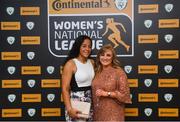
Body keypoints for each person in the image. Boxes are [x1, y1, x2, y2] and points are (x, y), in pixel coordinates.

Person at [92, 44, 132, 121]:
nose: (105, 58)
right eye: (102, 55)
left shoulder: (119, 72)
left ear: (112, 57)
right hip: (98, 113)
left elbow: (125, 95)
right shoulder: (96, 71)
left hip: (114, 113)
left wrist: (107, 93)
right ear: (99, 57)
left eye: (108, 55)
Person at [62, 35, 95, 121]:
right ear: (78, 46)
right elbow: (65, 89)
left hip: (91, 103)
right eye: (84, 46)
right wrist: (69, 109)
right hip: (76, 104)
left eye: (89, 46)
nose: (87, 49)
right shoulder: (70, 64)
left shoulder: (92, 62)